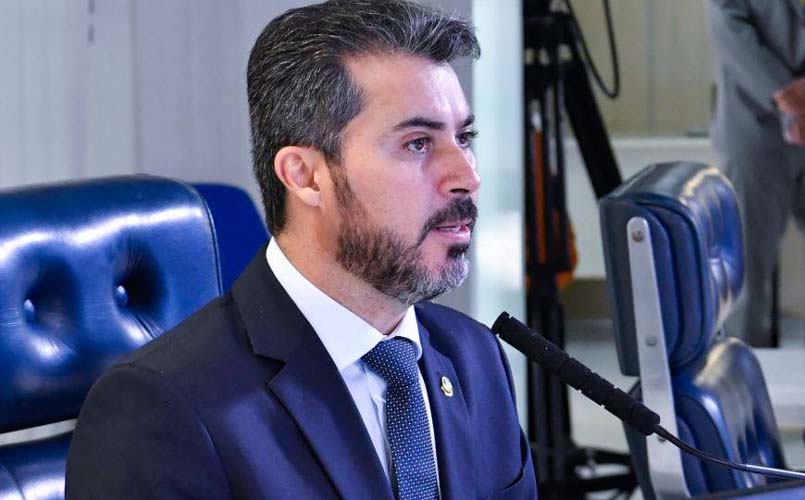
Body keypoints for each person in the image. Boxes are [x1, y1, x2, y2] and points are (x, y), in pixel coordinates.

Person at [65, 1, 536, 498]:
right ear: (306, 176)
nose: (467, 176)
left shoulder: (475, 355)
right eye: (417, 143)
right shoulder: (162, 409)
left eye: (464, 137)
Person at [708, 0, 805, 347]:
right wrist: (791, 100)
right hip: (753, 130)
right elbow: (729, 27)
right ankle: (742, 367)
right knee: (744, 271)